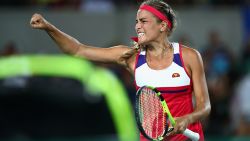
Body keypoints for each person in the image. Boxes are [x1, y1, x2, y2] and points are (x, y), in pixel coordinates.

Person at [30, 0, 211, 140]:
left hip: (189, 138)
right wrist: (48, 27)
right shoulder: (131, 57)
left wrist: (187, 118)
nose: (137, 26)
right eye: (136, 22)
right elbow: (77, 50)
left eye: (143, 21)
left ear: (162, 26)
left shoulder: (189, 56)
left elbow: (205, 106)